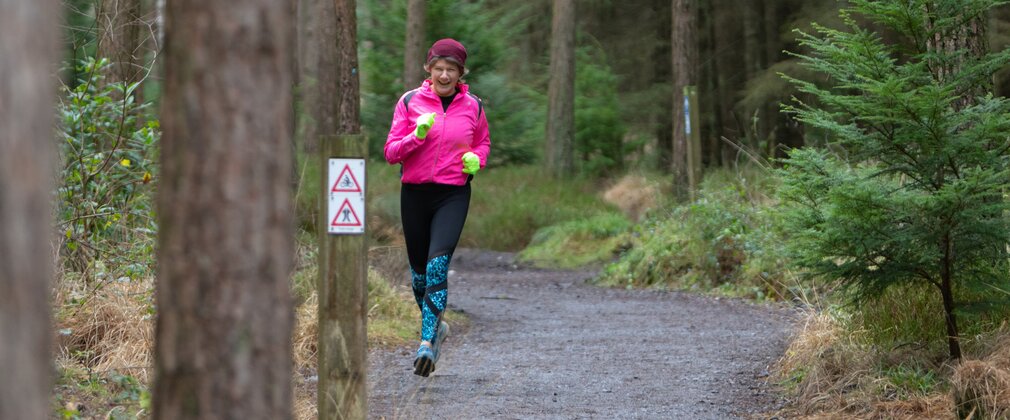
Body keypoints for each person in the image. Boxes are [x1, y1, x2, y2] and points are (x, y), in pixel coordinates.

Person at [383, 38, 490, 377]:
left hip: (452, 194)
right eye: (439, 69)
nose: (445, 75)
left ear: (461, 73)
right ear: (428, 70)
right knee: (417, 277)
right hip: (415, 194)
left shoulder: (473, 106)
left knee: (436, 267)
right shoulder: (410, 101)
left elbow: (483, 141)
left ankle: (427, 342)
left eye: (452, 70)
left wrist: (477, 159)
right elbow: (390, 153)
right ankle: (438, 326)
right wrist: (416, 135)